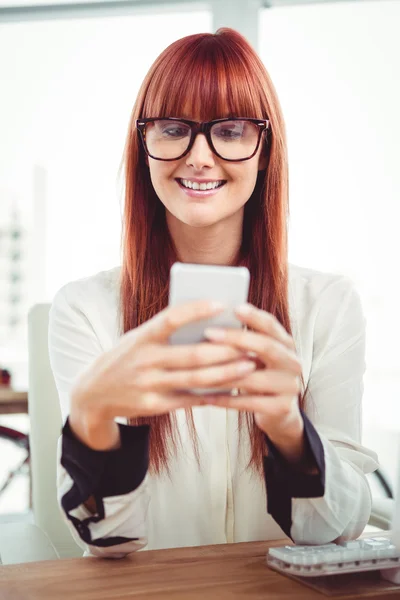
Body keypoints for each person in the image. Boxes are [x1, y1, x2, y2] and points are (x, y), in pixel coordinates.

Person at [49, 27, 379, 558]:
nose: (200, 156)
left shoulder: (330, 304)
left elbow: (341, 528)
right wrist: (90, 417)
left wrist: (288, 428)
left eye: (229, 130)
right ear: (145, 147)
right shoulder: (84, 308)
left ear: (264, 151)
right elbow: (113, 542)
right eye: (174, 128)